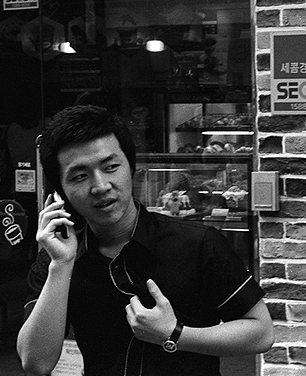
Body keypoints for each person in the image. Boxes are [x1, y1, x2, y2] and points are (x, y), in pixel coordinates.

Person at [17, 105, 273, 376]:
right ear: (60, 192)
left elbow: (261, 332)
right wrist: (61, 265)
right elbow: (36, 363)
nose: (100, 186)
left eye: (111, 167)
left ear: (131, 168)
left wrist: (175, 334)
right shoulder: (58, 259)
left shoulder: (197, 243)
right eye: (80, 176)